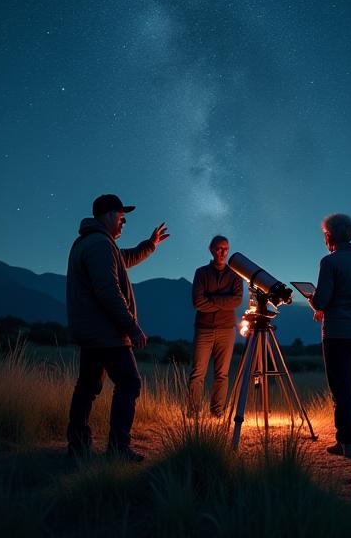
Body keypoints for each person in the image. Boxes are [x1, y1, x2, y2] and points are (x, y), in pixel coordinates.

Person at [66, 194, 170, 462]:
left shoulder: (94, 243)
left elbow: (125, 259)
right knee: (129, 382)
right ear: (109, 215)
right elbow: (108, 291)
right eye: (122, 217)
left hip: (92, 332)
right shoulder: (100, 245)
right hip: (107, 333)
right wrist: (132, 327)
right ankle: (118, 448)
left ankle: (78, 446)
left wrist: (151, 244)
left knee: (87, 386)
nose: (124, 223)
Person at [309, 213, 351, 457]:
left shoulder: (330, 262)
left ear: (330, 236)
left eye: (325, 235)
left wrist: (313, 301)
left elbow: (322, 300)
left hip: (338, 333)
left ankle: (346, 442)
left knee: (341, 388)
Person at [187, 235, 244, 417]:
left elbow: (235, 301)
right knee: (198, 374)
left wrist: (211, 299)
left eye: (226, 248)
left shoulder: (235, 275)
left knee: (222, 374)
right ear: (211, 249)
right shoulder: (201, 273)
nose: (223, 252)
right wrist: (222, 301)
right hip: (203, 329)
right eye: (219, 248)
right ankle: (194, 412)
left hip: (226, 330)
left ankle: (217, 412)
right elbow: (198, 302)